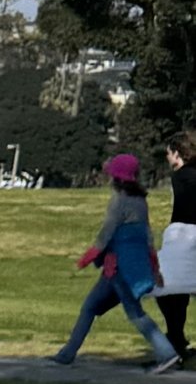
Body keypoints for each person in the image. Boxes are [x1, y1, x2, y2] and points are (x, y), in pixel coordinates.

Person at [55, 152, 177, 370]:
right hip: (130, 266)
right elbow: (147, 235)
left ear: (117, 177)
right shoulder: (141, 201)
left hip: (118, 268)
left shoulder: (119, 201)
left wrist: (88, 257)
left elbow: (107, 233)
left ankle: (166, 353)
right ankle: (66, 354)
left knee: (134, 313)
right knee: (91, 307)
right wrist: (154, 265)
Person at [158, 137, 196, 361]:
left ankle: (175, 338)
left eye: (169, 152)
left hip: (184, 235)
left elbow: (180, 209)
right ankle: (177, 339)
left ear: (177, 153)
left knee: (167, 288)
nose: (167, 156)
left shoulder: (180, 178)